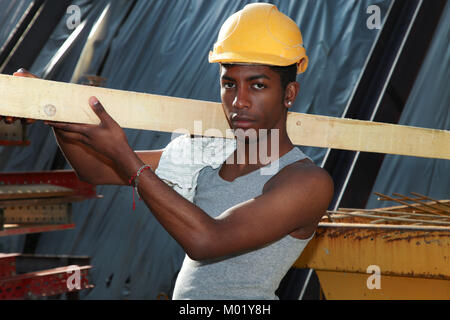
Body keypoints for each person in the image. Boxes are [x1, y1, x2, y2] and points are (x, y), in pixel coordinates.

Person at [10, 3, 333, 299]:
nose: (239, 101)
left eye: (258, 85)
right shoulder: (208, 153)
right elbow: (95, 169)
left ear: (289, 93)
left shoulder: (306, 181)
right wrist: (48, 106)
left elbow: (208, 241)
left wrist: (127, 158)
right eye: (229, 83)